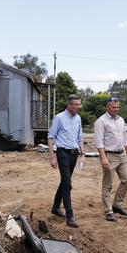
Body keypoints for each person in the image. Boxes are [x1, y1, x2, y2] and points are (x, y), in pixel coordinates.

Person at [48, 94, 85, 228]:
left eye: (79, 104)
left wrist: (83, 153)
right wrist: (52, 157)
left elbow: (80, 137)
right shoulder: (59, 118)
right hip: (62, 153)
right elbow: (50, 138)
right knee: (68, 184)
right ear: (69, 105)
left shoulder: (78, 118)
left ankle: (56, 207)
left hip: (74, 153)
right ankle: (70, 216)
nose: (78, 107)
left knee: (64, 182)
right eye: (76, 104)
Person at [93, 96, 127, 222]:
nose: (116, 109)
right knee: (107, 185)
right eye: (113, 107)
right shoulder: (101, 121)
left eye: (118, 107)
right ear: (107, 107)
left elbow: (125, 139)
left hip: (122, 155)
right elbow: (99, 142)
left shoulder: (121, 120)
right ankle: (108, 210)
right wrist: (103, 158)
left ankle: (117, 205)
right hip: (110, 155)